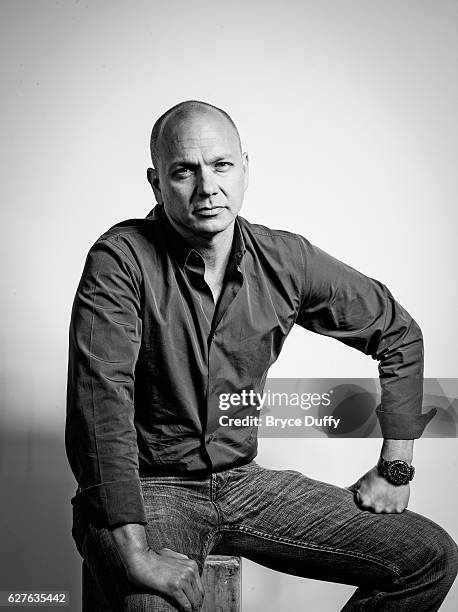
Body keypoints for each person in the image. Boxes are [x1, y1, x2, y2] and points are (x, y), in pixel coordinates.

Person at [66, 100, 457, 612]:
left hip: (242, 482)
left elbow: (399, 332)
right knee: (150, 605)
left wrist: (395, 466)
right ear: (156, 182)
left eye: (222, 165)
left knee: (429, 557)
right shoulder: (120, 260)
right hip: (150, 488)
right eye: (184, 171)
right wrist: (134, 552)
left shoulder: (286, 261)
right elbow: (101, 405)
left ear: (245, 168)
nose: (207, 188)